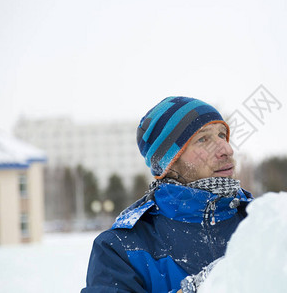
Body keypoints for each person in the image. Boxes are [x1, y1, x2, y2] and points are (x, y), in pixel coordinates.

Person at [82, 96, 253, 293]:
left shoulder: (262, 222)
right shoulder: (120, 248)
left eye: (222, 135)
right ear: (169, 163)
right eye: (203, 139)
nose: (226, 149)